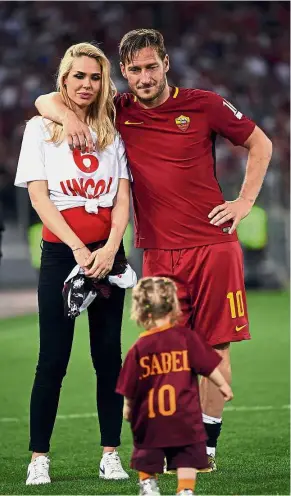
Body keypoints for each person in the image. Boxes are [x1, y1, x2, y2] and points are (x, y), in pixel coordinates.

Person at [35, 29, 273, 471]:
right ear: (123, 73)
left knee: (216, 346)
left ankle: (207, 447)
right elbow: (46, 101)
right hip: (158, 253)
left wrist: (243, 202)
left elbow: (261, 143)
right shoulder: (118, 109)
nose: (144, 77)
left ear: (165, 63)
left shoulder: (204, 104)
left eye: (151, 67)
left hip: (213, 246)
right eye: (135, 70)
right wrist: (68, 119)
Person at [15, 42, 131, 485]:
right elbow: (40, 197)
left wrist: (109, 248)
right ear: (63, 79)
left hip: (108, 253)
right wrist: (79, 251)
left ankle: (110, 454)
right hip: (64, 253)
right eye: (78, 76)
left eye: (95, 77)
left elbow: (122, 197)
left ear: (104, 82)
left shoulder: (114, 130)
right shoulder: (39, 129)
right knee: (53, 360)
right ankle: (39, 458)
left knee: (108, 357)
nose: (86, 84)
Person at [116, 276, 233, 496]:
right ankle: (185, 489)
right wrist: (223, 386)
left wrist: (127, 407)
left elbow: (129, 385)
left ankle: (148, 485)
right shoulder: (186, 339)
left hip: (150, 417)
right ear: (174, 308)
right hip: (184, 414)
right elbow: (208, 366)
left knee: (146, 454)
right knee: (187, 453)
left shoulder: (140, 347)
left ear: (142, 313)